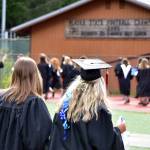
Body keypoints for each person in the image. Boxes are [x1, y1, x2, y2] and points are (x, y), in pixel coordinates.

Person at [49, 58, 126, 150]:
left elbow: (55, 140)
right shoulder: (98, 112)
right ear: (100, 85)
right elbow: (104, 144)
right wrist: (118, 130)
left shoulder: (64, 106)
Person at [0, 57, 52, 150]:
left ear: (14, 74)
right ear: (35, 76)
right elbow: (37, 142)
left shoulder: (1, 97)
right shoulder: (34, 104)